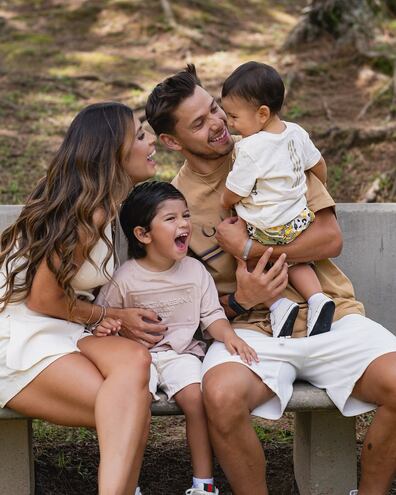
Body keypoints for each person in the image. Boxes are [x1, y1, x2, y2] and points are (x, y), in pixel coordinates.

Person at [145, 64, 396, 495]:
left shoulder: (276, 148)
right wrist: (242, 301)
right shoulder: (172, 205)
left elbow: (329, 238)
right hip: (250, 331)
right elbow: (185, 306)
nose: (219, 124)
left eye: (215, 110)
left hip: (330, 316)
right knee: (220, 397)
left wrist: (249, 250)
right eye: (200, 123)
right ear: (171, 141)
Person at [0, 102, 168, 495]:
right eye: (140, 135)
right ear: (114, 152)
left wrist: (107, 316)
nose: (152, 141)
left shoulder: (101, 204)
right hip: (18, 333)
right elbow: (43, 298)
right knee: (131, 406)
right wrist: (109, 314)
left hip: (57, 326)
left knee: (134, 363)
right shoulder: (89, 212)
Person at [94, 180, 258, 495]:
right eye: (170, 219)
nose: (183, 223)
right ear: (143, 234)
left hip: (182, 355)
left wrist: (229, 337)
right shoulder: (125, 278)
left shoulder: (196, 272)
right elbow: (105, 317)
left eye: (185, 215)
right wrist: (107, 328)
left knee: (196, 398)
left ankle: (203, 483)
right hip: (137, 360)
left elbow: (212, 316)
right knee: (134, 404)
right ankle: (128, 484)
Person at [220, 61, 335, 338]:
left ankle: (279, 305)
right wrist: (316, 185)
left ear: (261, 114)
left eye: (234, 117)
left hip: (265, 227)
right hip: (298, 221)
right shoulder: (295, 132)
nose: (229, 123)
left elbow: (235, 191)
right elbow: (318, 165)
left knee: (244, 255)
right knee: (297, 262)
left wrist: (225, 202)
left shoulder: (249, 148)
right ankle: (318, 299)